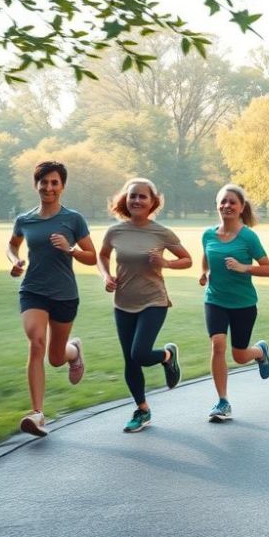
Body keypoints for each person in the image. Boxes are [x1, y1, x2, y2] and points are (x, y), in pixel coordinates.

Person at [7, 161, 96, 437]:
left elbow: (92, 256)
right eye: (43, 182)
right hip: (33, 289)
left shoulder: (73, 219)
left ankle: (73, 351)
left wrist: (70, 249)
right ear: (36, 185)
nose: (48, 187)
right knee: (36, 343)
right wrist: (15, 260)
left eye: (54, 182)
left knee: (56, 358)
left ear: (62, 186)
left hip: (64, 295)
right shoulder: (25, 219)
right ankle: (37, 414)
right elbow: (12, 244)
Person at [97, 178, 192, 433]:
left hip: (153, 300)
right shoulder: (115, 231)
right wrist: (106, 276)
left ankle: (167, 356)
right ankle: (142, 409)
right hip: (123, 302)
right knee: (130, 361)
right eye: (132, 196)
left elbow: (187, 260)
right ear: (125, 201)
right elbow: (103, 255)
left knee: (139, 354)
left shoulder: (160, 232)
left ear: (152, 202)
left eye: (142, 197)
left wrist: (166, 263)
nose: (137, 200)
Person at [199, 184, 269, 423]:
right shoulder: (208, 234)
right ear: (217, 206)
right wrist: (204, 273)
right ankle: (223, 401)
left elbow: (268, 269)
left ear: (241, 207)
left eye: (232, 202)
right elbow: (206, 257)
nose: (227, 206)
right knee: (217, 345)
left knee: (240, 356)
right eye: (223, 201)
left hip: (243, 303)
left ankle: (259, 352)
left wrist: (244, 268)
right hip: (215, 299)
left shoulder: (248, 236)